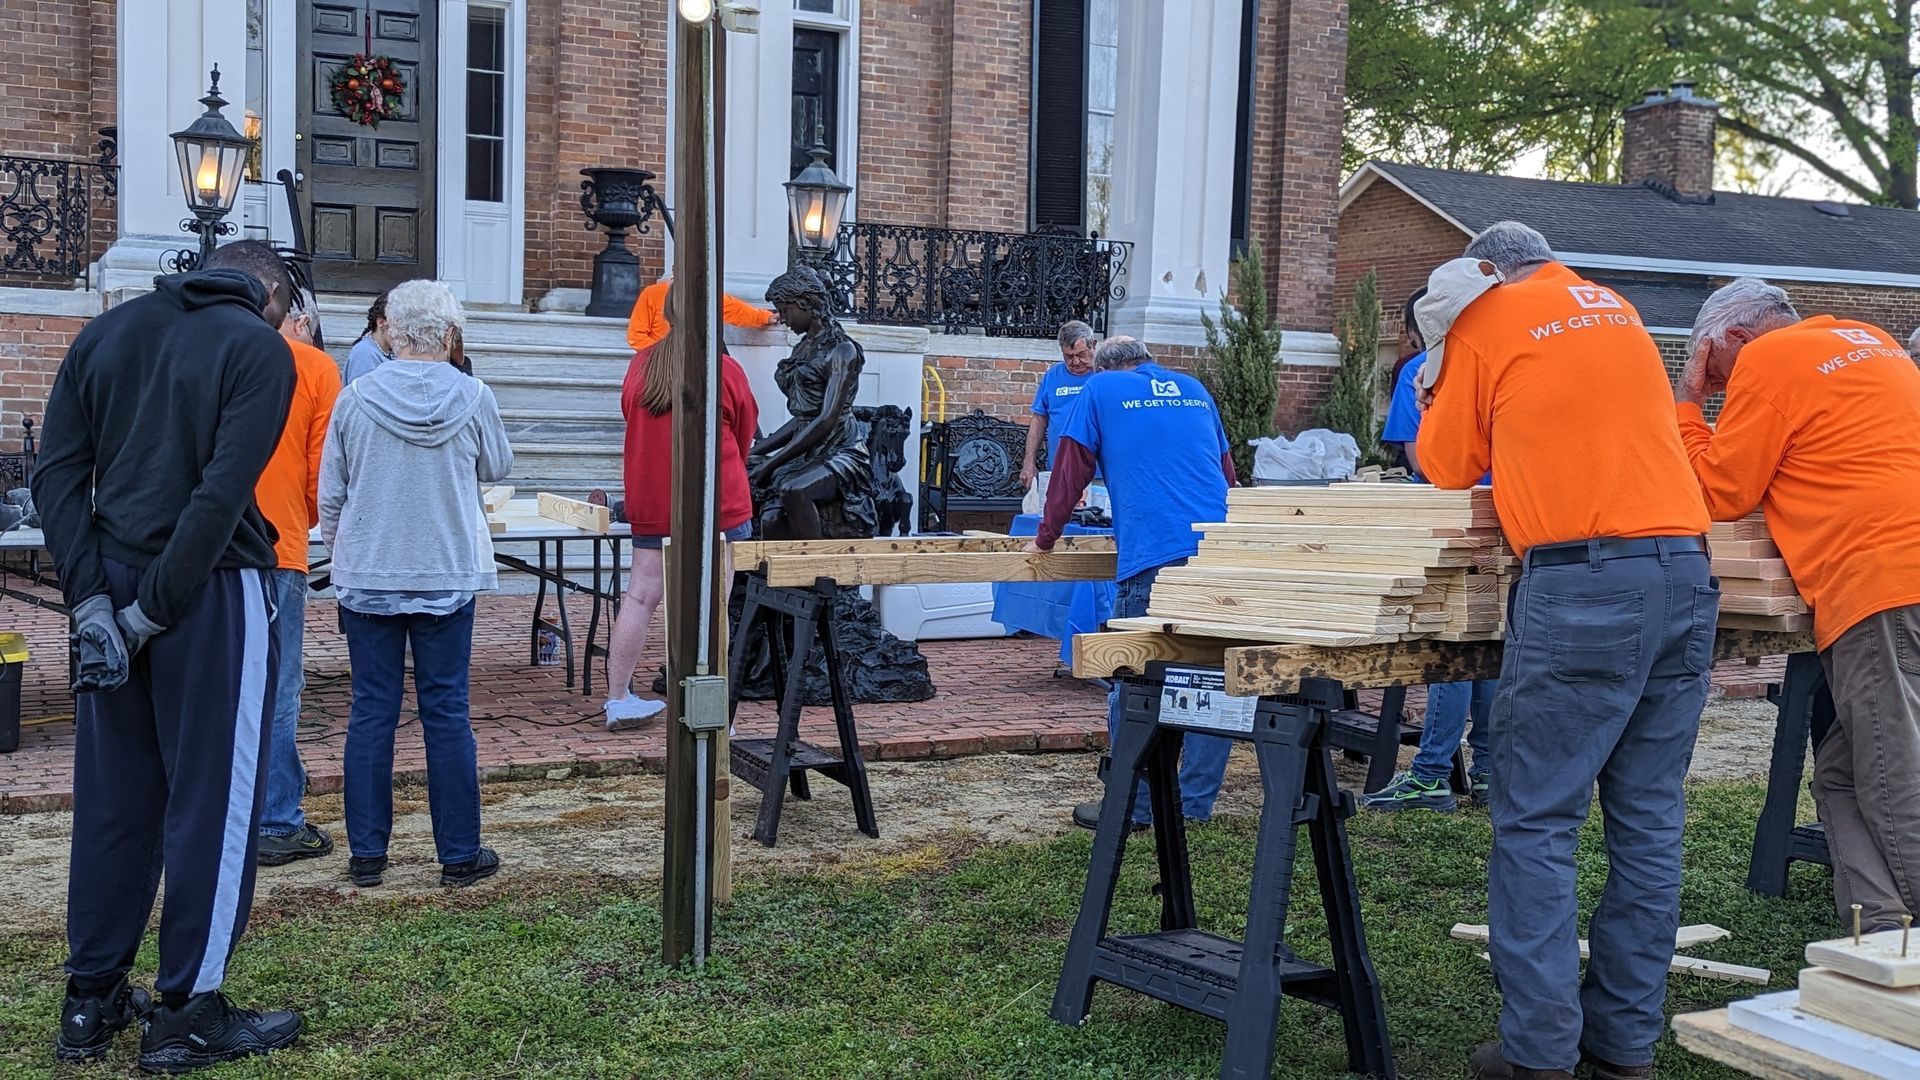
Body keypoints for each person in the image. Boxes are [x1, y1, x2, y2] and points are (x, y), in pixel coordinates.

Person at [1416, 222, 1713, 1080]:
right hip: (1684, 574)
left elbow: (1444, 463)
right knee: (1649, 822)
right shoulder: (1615, 309)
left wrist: (1439, 369)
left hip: (1585, 585)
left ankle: (1539, 1056)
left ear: (1482, 270)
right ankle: (1623, 1051)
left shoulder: (1487, 315)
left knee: (1539, 819)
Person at [33, 239, 304, 1070]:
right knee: (213, 804)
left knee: (115, 797)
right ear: (270, 299)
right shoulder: (260, 347)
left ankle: (92, 998)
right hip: (208, 590)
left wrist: (91, 603)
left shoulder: (106, 331)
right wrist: (149, 612)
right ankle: (187, 1009)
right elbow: (221, 494)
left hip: (109, 582)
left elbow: (55, 474)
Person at [1677, 279, 1920, 935]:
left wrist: (1690, 404)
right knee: (1841, 773)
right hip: (1904, 573)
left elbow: (1720, 490)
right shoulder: (1871, 341)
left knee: (1894, 775)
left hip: (1880, 585)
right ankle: (1882, 932)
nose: (1723, 385)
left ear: (1736, 338)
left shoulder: (1767, 360)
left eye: (1715, 365)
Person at [319, 279, 513, 891]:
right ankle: (458, 853)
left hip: (372, 570)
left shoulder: (356, 398)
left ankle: (367, 854)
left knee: (371, 712)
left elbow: (332, 494)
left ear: (392, 332)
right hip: (445, 569)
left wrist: (342, 547)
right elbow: (498, 466)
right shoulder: (474, 395)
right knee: (447, 711)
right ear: (450, 336)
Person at [1024, 337, 1237, 831]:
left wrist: (1046, 538)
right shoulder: (1193, 387)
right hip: (1218, 549)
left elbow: (1070, 469)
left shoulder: (1098, 389)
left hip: (1154, 554)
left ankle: (1134, 806)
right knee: (1209, 676)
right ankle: (1193, 805)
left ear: (1103, 366)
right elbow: (1226, 473)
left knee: (1137, 677)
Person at [602, 287, 760, 729]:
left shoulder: (641, 365)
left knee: (639, 596)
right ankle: (711, 710)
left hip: (652, 496)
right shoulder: (726, 369)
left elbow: (629, 417)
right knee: (714, 605)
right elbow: (747, 431)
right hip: (719, 499)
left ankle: (617, 697)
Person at [1368, 279, 1493, 813]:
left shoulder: (1419, 372)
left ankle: (1431, 774)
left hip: (1449, 518)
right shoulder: (1491, 363)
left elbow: (1420, 461)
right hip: (1503, 512)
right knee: (1490, 642)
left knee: (1452, 646)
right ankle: (1488, 771)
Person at [256, 287, 344, 867]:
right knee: (279, 685)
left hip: (187, 544)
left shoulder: (198, 349)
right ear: (297, 318)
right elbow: (323, 474)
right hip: (276, 541)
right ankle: (275, 819)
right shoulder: (312, 365)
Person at [1021, 320, 1098, 488]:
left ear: (1093, 345)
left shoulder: (1106, 375)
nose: (1076, 362)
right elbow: (1039, 420)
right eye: (1068, 357)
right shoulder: (1053, 376)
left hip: (1099, 474)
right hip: (1060, 470)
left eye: (1081, 354)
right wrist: (1029, 461)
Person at [626, 276, 778, 353]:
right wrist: (664, 353)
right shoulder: (652, 294)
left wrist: (764, 317)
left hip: (692, 360)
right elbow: (636, 337)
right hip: (656, 364)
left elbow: (732, 309)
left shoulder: (703, 294)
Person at [343, 288, 393, 384]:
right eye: (400, 324)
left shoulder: (388, 351)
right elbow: (364, 396)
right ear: (381, 322)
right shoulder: (365, 354)